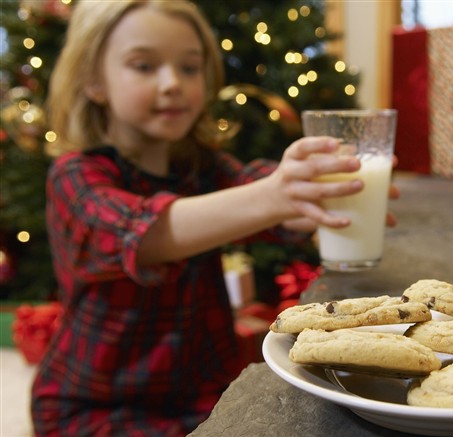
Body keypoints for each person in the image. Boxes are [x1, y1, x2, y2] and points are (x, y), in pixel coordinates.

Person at [31, 1, 398, 435]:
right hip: (100, 402)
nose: (172, 84)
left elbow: (258, 194)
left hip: (202, 387)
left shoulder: (202, 166)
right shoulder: (74, 175)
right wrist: (277, 194)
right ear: (93, 80)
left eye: (189, 68)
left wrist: (319, 194)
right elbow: (144, 233)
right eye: (144, 66)